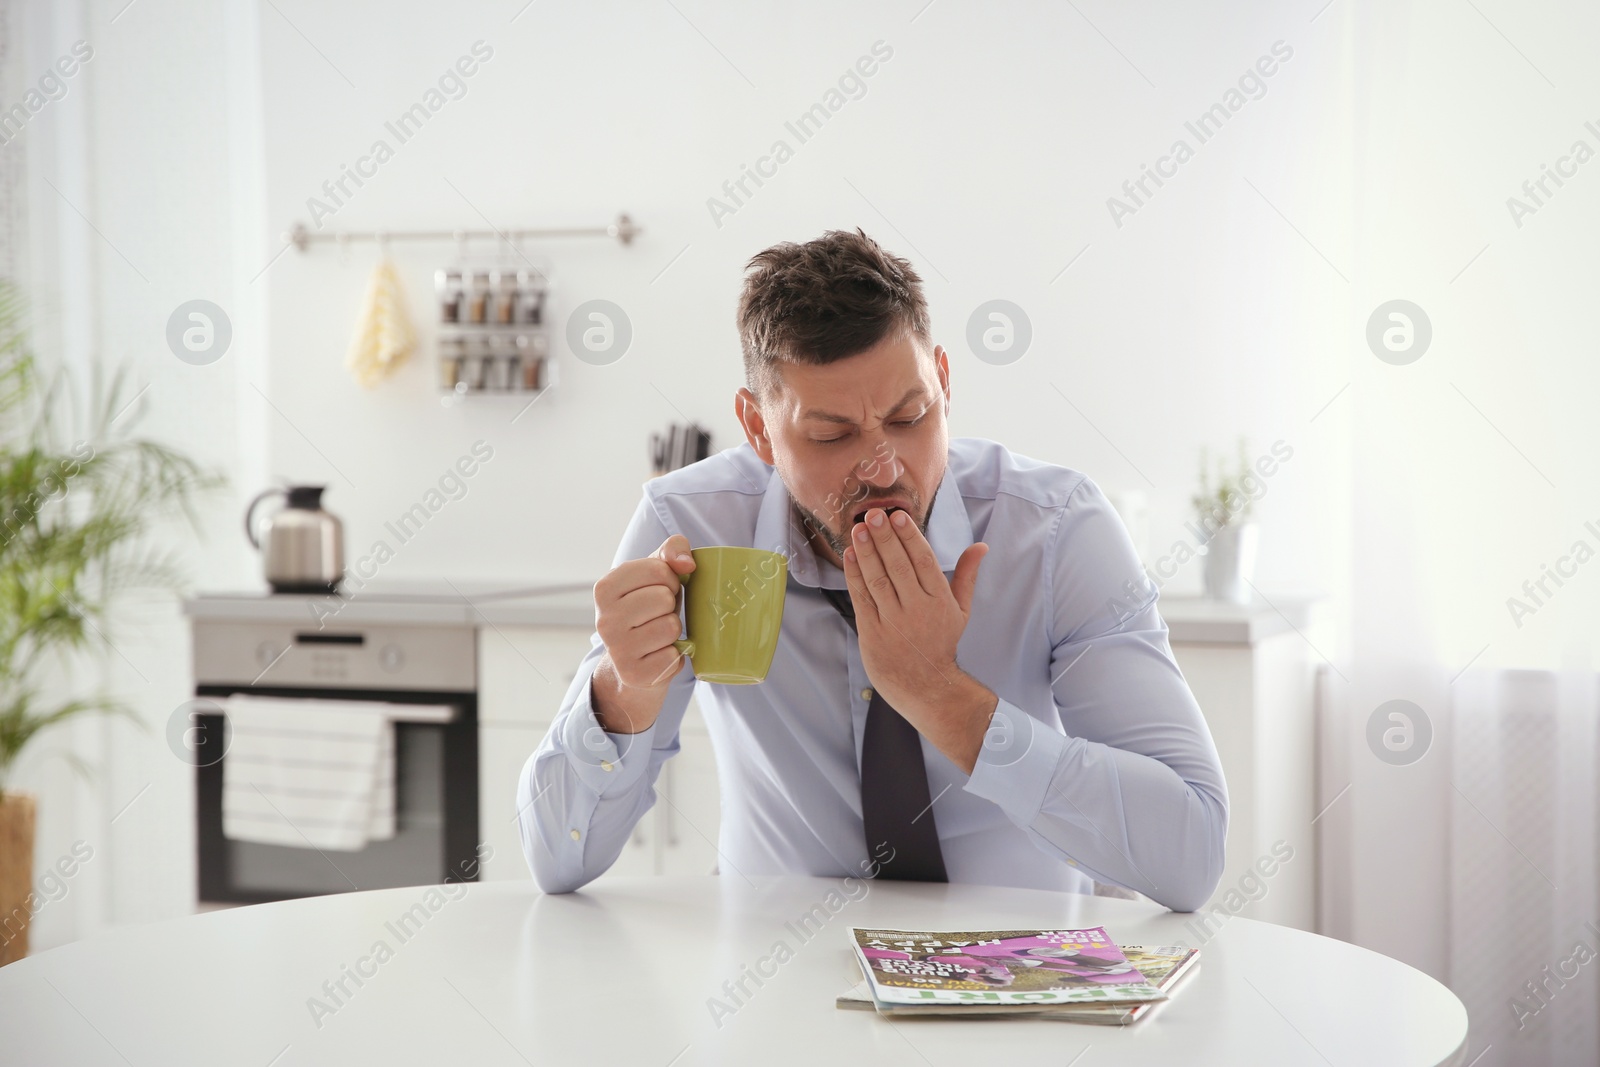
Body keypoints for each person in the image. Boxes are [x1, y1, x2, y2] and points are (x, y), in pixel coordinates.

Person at [517, 228, 1227, 911]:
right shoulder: (692, 529)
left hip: (1020, 972)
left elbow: (1192, 857)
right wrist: (619, 696)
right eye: (832, 434)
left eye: (910, 416)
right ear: (759, 428)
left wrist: (943, 698)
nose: (883, 464)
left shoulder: (1057, 530)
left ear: (944, 383)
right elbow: (556, 860)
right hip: (775, 977)